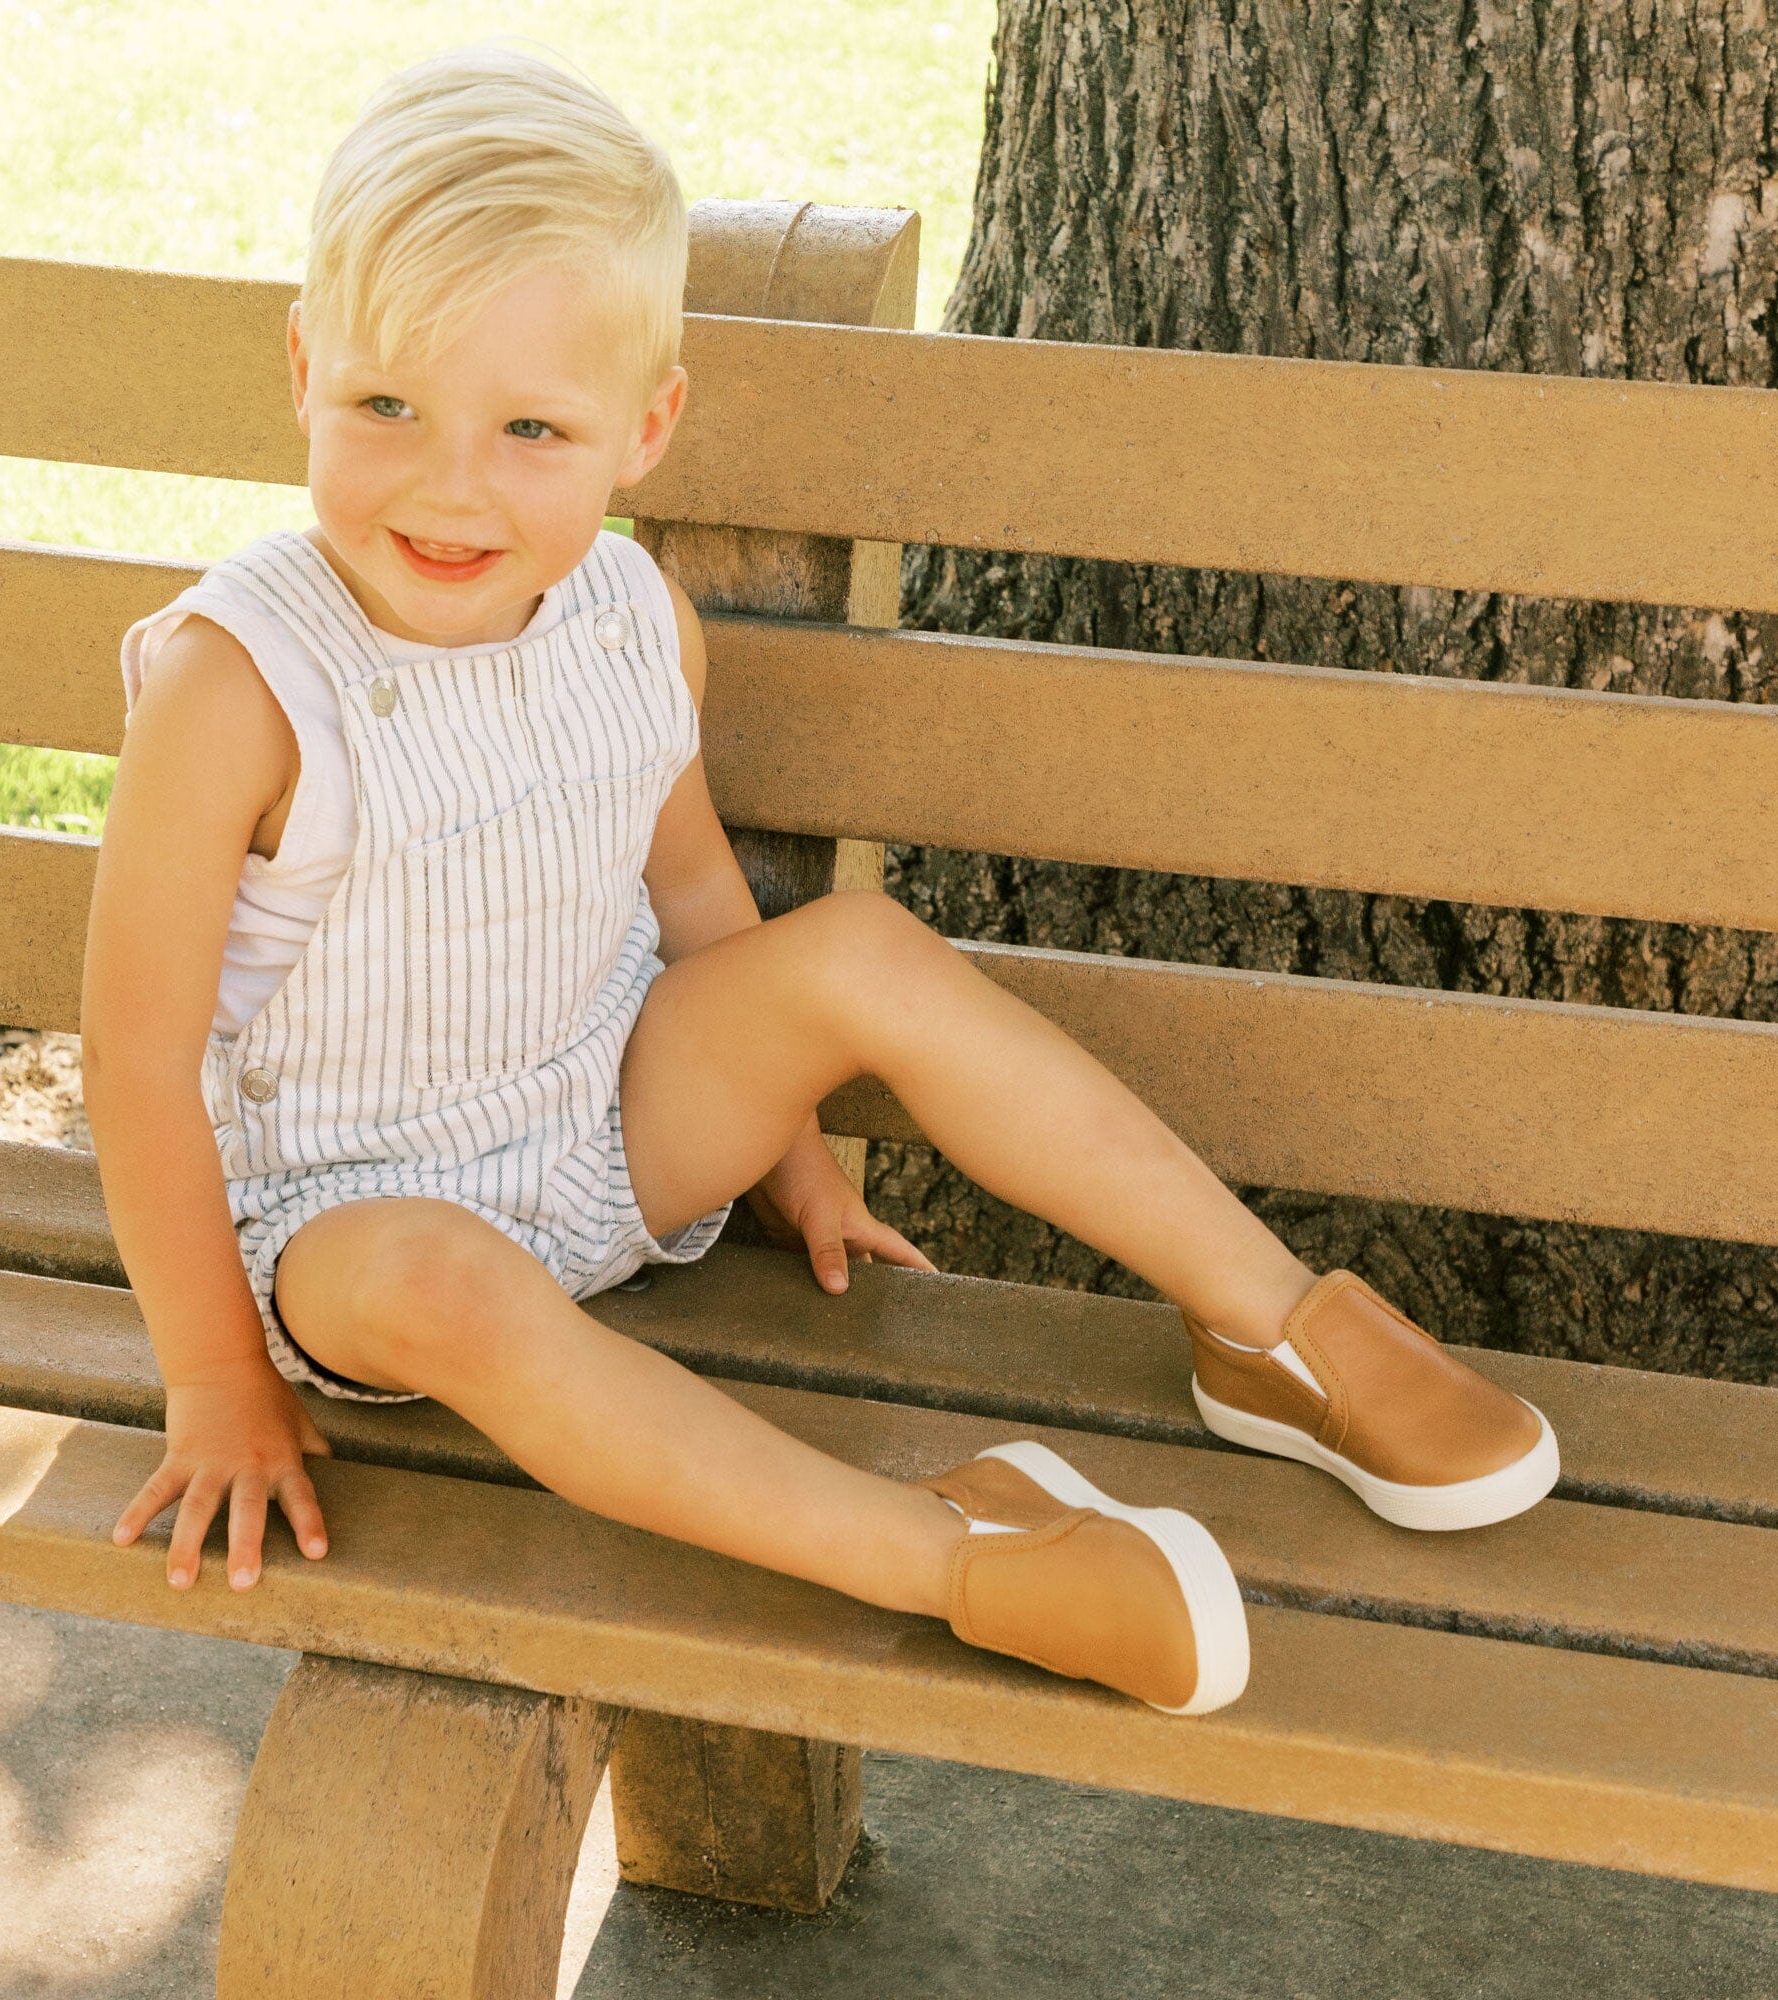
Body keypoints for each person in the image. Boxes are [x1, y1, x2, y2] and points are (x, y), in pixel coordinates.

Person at [81, 40, 1558, 1722]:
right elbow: (134, 1061)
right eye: (387, 405)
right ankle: (962, 1554)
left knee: (853, 946)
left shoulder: (635, 627)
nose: (450, 482)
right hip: (341, 1227)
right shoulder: (240, 682)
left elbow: (703, 906)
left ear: (647, 429)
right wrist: (213, 1381)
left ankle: (1278, 1335)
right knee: (441, 1284)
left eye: (533, 427)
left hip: (595, 1133)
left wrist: (785, 1151)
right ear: (301, 367)